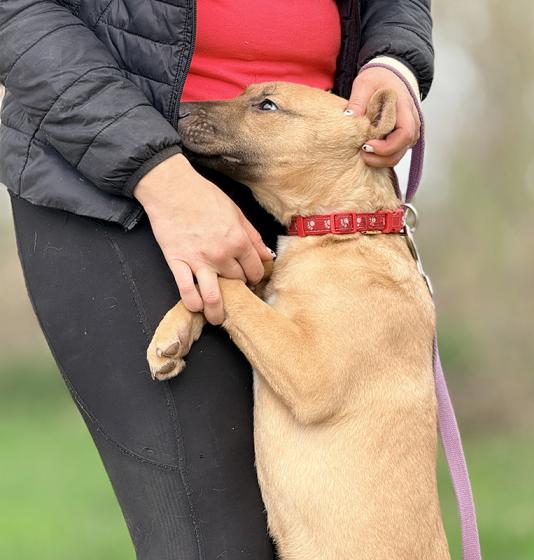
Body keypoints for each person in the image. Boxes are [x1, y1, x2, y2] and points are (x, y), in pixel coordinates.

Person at [0, 1, 433, 558]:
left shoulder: (370, 284)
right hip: (105, 168)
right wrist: (160, 177)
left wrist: (395, 61)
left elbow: (312, 384)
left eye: (265, 105)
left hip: (283, 188)